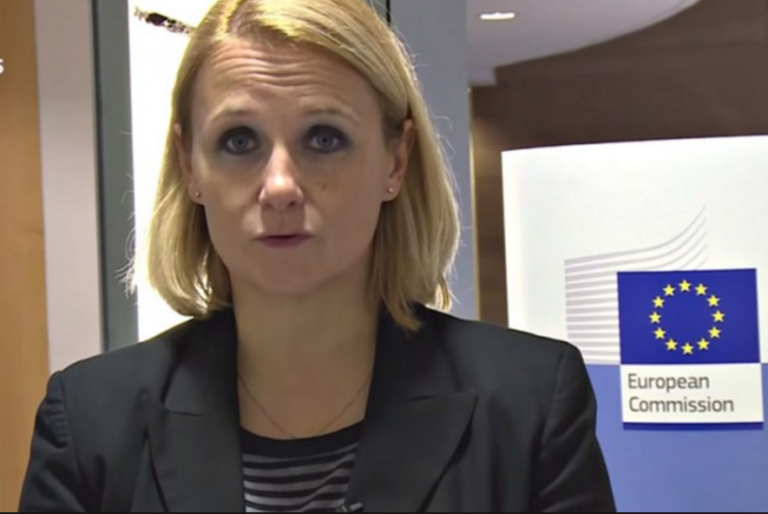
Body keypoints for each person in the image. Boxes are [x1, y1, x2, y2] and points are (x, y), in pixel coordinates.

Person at [19, 0, 615, 511]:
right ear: (188, 165)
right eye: (239, 140)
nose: (280, 186)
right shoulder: (90, 426)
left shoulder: (529, 407)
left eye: (324, 138)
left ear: (396, 161)